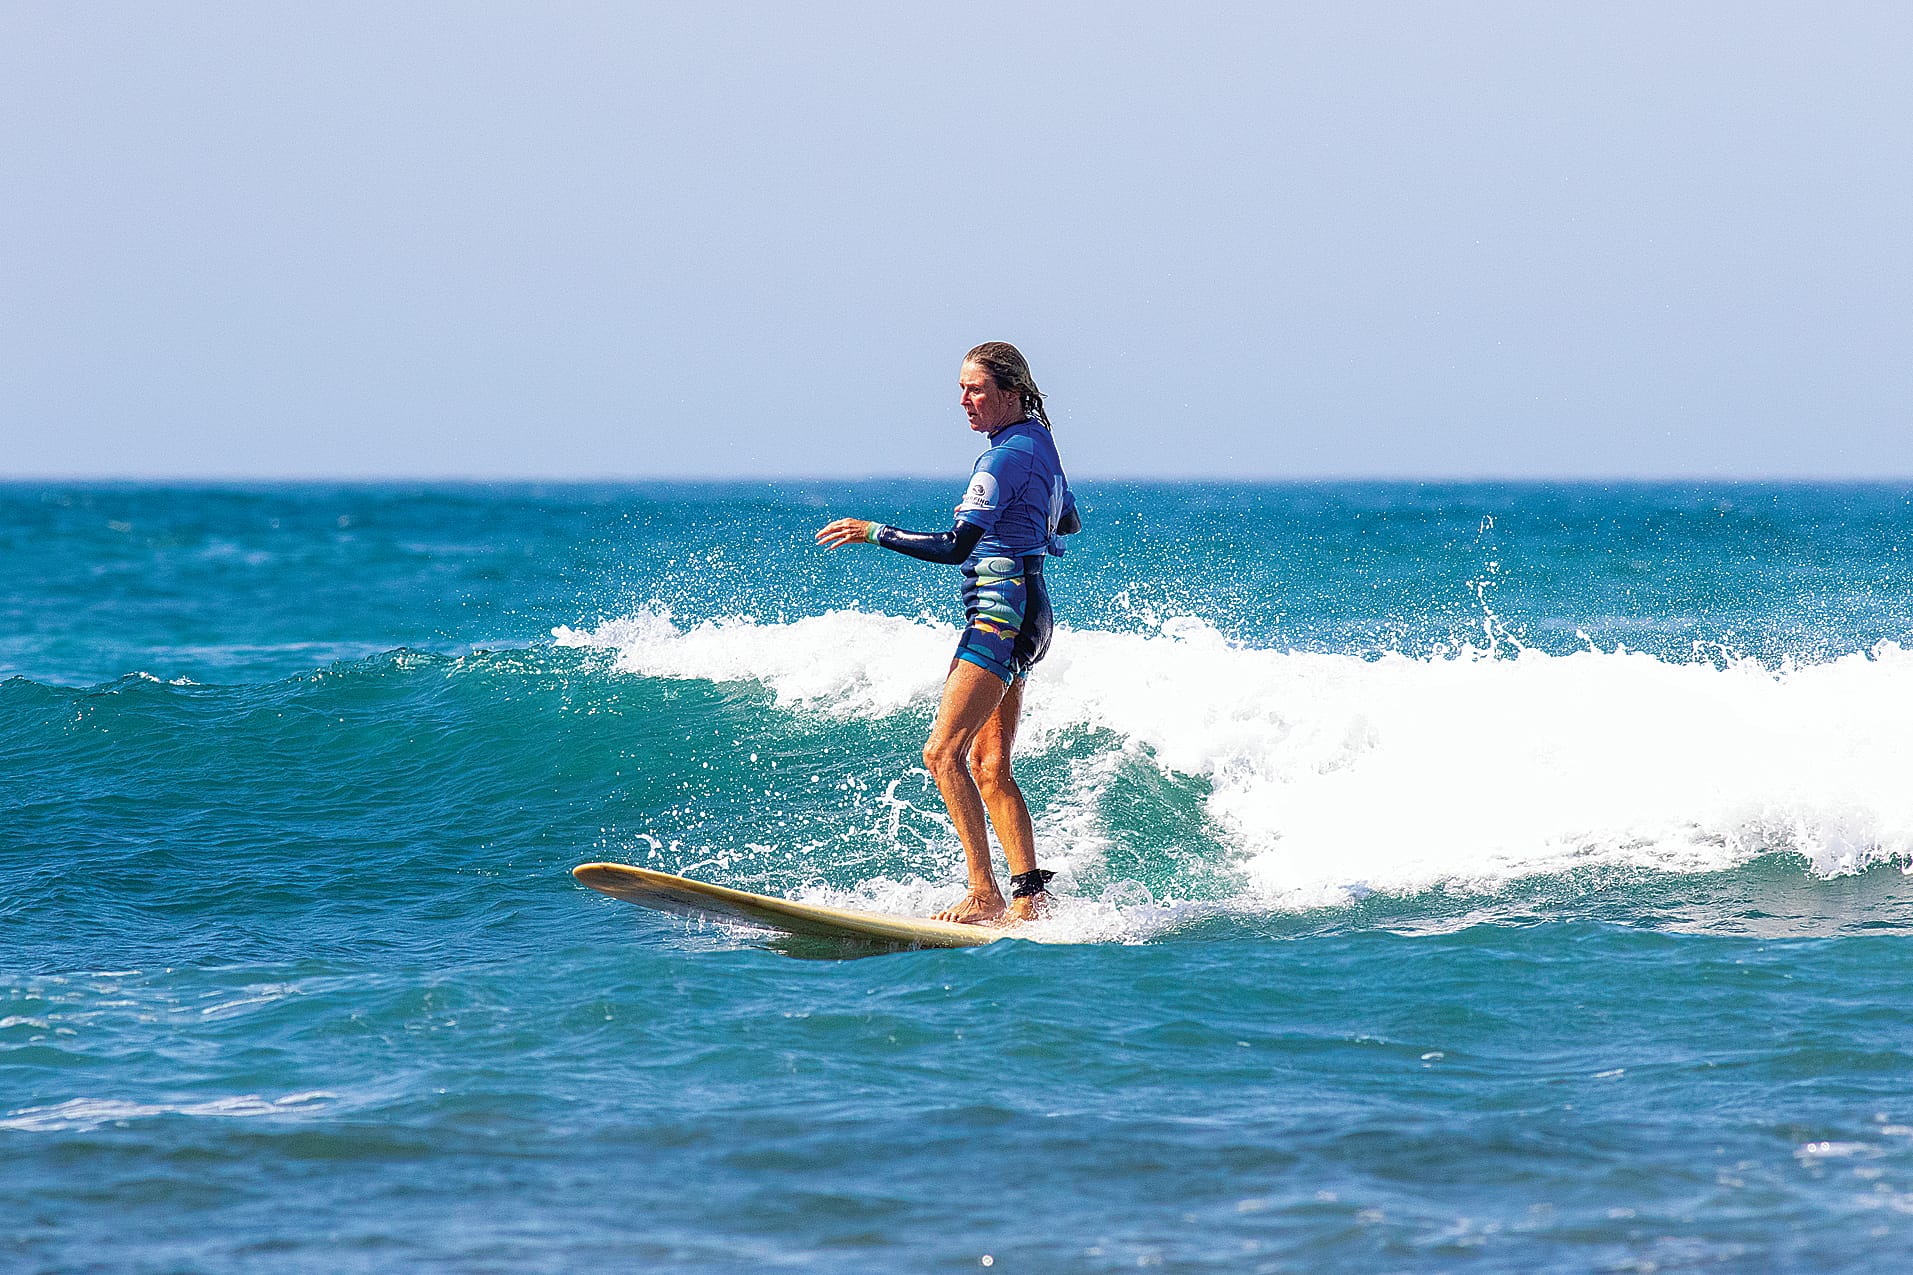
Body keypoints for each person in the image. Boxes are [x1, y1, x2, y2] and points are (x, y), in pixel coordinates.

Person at [815, 342, 1081, 924]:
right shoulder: (1041, 445)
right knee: (990, 767)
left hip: (999, 615)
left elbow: (956, 545)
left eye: (976, 389)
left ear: (1010, 392)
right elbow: (1069, 519)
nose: (964, 401)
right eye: (961, 389)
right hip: (1031, 611)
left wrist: (873, 532)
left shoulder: (1002, 459)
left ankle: (984, 890)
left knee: (942, 753)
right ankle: (1031, 898)